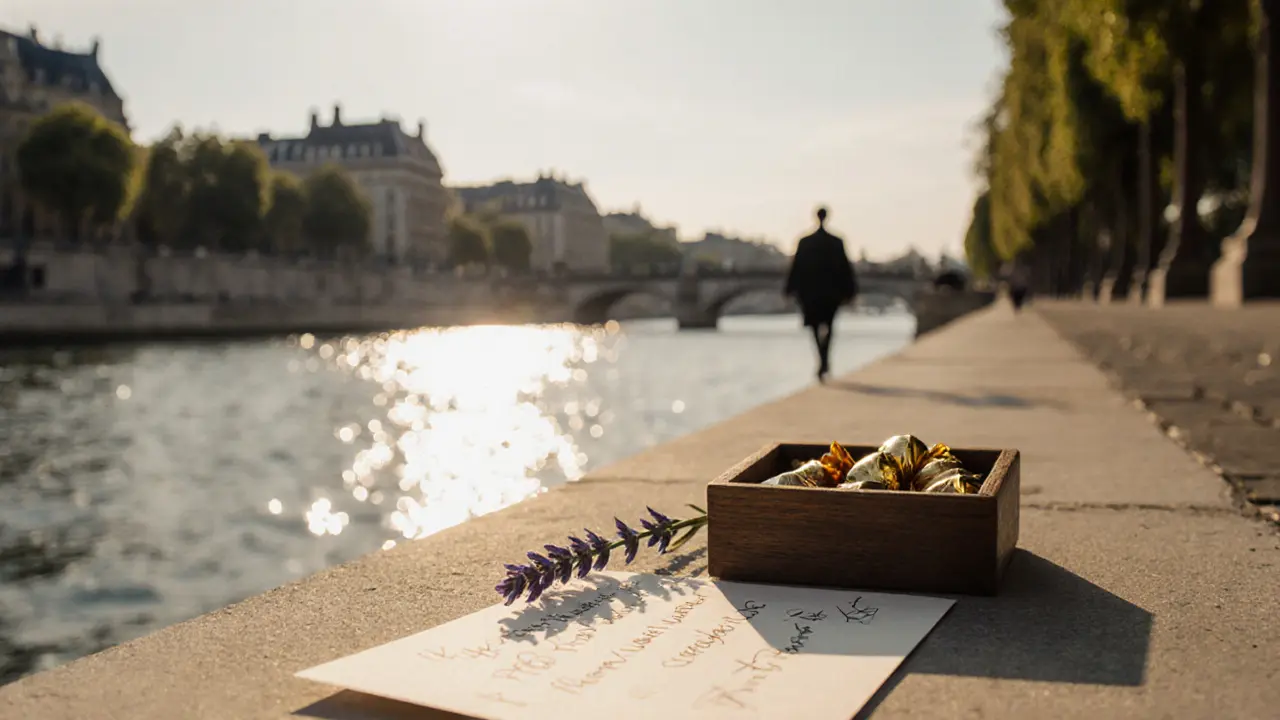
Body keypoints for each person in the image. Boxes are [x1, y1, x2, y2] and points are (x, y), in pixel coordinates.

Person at [784, 207, 858, 382]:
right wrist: (851, 290)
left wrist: (789, 289)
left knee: (814, 327)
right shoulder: (837, 242)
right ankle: (825, 358)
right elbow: (845, 268)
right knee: (830, 326)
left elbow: (796, 267)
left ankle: (821, 359)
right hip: (832, 293)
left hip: (810, 293)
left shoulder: (805, 242)